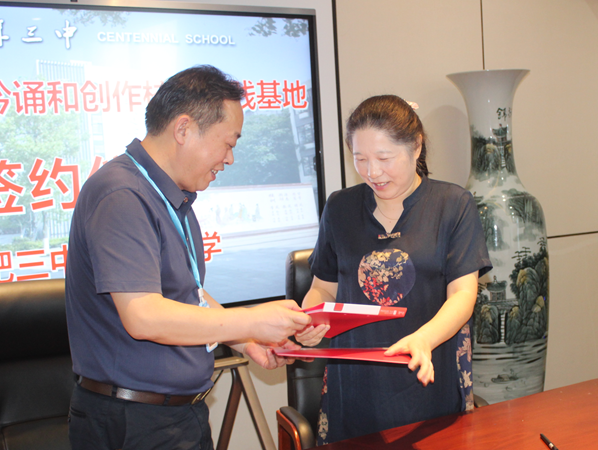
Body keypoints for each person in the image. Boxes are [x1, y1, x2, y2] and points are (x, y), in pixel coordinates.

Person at [65, 65, 311, 450]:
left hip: (176, 416)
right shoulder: (122, 195)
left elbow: (188, 291)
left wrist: (245, 340)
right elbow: (143, 315)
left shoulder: (170, 196)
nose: (229, 159)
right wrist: (250, 319)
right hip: (133, 422)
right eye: (227, 143)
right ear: (183, 129)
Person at [295, 94, 492, 444]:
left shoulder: (452, 205)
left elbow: (463, 295)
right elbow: (323, 288)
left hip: (427, 376)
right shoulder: (340, 208)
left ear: (416, 147)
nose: (372, 172)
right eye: (360, 159)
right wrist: (312, 319)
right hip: (354, 386)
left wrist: (424, 338)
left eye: (384, 158)